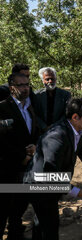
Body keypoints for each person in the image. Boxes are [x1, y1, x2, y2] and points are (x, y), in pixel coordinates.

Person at [25, 98, 82, 240]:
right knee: (49, 227)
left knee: (42, 225)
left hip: (49, 183)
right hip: (40, 184)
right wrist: (77, 192)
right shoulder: (57, 136)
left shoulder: (77, 130)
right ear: (75, 117)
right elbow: (50, 173)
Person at [0, 73, 40, 240]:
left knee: (19, 206)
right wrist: (20, 157)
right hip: (7, 168)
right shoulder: (2, 108)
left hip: (27, 166)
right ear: (11, 88)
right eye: (21, 85)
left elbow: (35, 132)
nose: (25, 88)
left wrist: (35, 146)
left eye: (27, 85)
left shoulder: (30, 107)